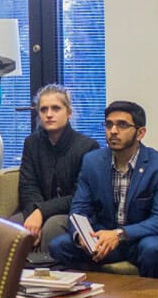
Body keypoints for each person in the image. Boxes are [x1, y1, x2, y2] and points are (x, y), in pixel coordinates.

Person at [47, 101, 158, 278]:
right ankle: (88, 295)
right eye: (109, 124)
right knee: (59, 245)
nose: (113, 131)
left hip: (139, 239)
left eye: (122, 125)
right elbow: (79, 209)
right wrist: (82, 236)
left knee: (152, 249)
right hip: (103, 238)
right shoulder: (92, 161)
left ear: (140, 133)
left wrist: (119, 234)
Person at [12, 84, 99, 250]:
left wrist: (41, 212)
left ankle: (49, 274)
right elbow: (28, 185)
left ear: (68, 112)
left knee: (52, 226)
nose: (49, 114)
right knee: (8, 227)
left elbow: (79, 196)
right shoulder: (31, 143)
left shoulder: (88, 146)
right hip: (37, 208)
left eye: (55, 108)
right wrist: (33, 214)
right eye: (43, 109)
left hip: (74, 213)